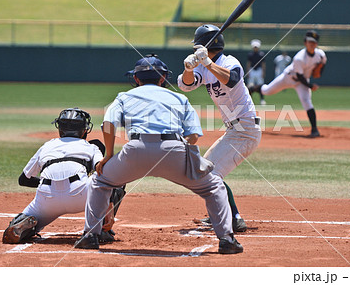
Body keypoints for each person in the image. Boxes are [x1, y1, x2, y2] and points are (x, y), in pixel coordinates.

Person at [75, 54, 243, 254]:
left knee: (100, 182)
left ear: (136, 79)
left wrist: (109, 155)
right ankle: (226, 239)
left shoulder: (124, 96)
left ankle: (90, 236)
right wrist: (178, 151)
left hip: (135, 150)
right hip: (173, 150)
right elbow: (193, 136)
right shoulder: (179, 97)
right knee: (214, 186)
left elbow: (108, 124)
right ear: (163, 78)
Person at [178, 24, 262, 233]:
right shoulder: (202, 68)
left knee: (211, 174)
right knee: (204, 170)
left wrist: (207, 62)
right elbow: (185, 85)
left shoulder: (229, 62)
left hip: (245, 130)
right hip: (234, 131)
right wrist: (189, 69)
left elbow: (232, 80)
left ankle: (234, 218)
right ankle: (219, 213)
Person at [2, 108, 125, 244]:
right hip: (80, 195)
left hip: (46, 198)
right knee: (117, 177)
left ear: (60, 128)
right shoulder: (91, 147)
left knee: (30, 217)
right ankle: (101, 229)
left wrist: (53, 182)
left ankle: (25, 226)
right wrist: (109, 204)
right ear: (84, 130)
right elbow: (103, 172)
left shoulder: (47, 145)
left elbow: (23, 179)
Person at [250, 30, 327, 137]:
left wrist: (319, 71)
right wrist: (310, 86)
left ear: (317, 44)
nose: (312, 44)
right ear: (305, 43)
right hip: (289, 78)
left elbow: (323, 64)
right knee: (267, 91)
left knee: (307, 102)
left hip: (302, 83)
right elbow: (300, 76)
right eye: (309, 42)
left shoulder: (321, 55)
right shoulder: (299, 58)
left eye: (314, 42)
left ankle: (314, 130)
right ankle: (253, 88)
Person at [246, 39, 267, 105]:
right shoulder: (250, 54)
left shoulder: (261, 54)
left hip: (259, 70)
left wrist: (263, 72)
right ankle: (249, 101)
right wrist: (248, 72)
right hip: (252, 70)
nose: (255, 48)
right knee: (250, 86)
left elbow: (263, 64)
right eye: (254, 47)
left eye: (256, 47)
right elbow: (248, 64)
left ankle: (262, 100)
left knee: (260, 85)